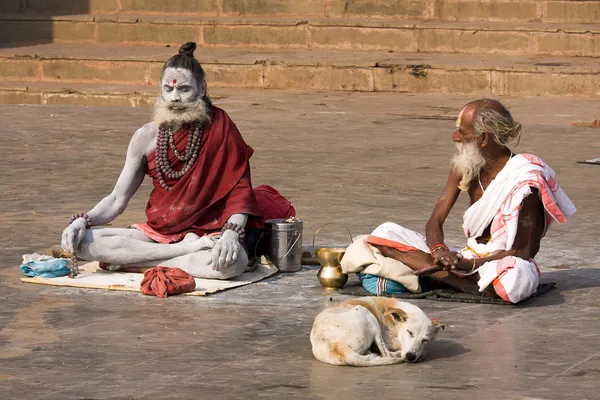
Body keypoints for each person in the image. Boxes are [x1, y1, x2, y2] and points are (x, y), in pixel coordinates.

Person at [60, 42, 263, 279]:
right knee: (82, 242)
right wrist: (83, 221)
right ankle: (178, 254)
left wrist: (230, 234)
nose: (175, 97)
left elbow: (240, 193)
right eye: (168, 89)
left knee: (231, 263)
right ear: (160, 89)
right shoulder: (145, 136)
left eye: (184, 89)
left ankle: (139, 261)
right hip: (159, 234)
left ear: (202, 89)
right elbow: (117, 198)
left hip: (209, 233)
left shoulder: (222, 128)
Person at [355, 99, 576, 303]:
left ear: (483, 138)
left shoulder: (525, 180)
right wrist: (440, 251)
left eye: (462, 131)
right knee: (382, 235)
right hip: (463, 259)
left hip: (501, 264)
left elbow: (523, 251)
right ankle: (461, 282)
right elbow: (435, 220)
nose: (455, 137)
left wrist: (468, 265)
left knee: (515, 283)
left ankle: (443, 277)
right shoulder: (464, 166)